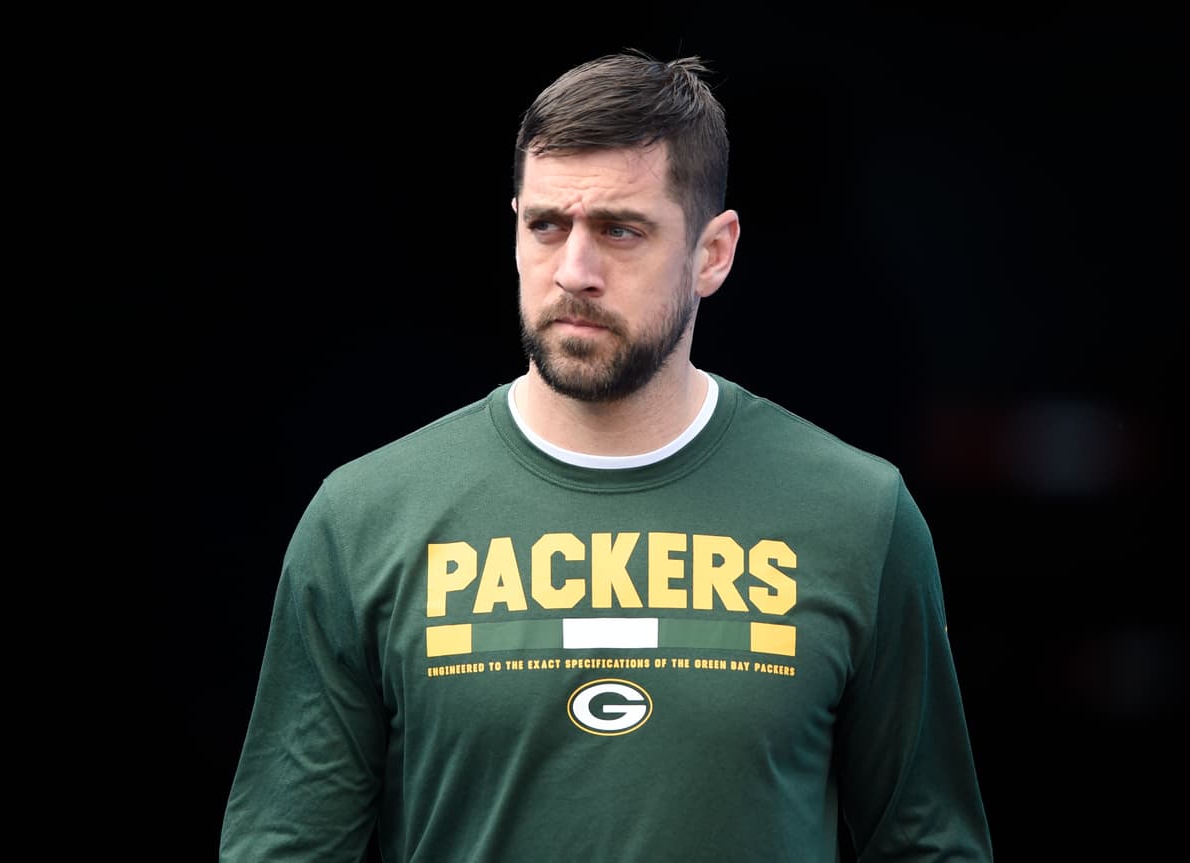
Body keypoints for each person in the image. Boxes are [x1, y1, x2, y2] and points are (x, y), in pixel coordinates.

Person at [219, 50, 994, 861]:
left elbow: (928, 843)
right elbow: (284, 847)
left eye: (622, 230)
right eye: (546, 225)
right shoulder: (365, 518)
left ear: (713, 253)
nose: (574, 271)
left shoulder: (857, 514)